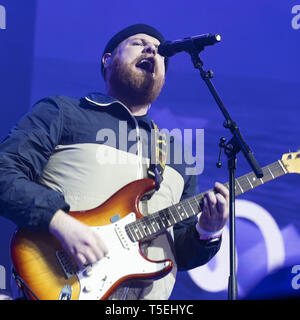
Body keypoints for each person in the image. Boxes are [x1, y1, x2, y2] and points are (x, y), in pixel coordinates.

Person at [0, 24, 229, 300]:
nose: (152, 50)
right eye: (138, 43)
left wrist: (207, 231)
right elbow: (5, 172)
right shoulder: (64, 112)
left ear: (164, 78)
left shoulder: (177, 154)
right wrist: (59, 221)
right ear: (107, 60)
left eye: (160, 52)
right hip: (59, 284)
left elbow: (179, 250)